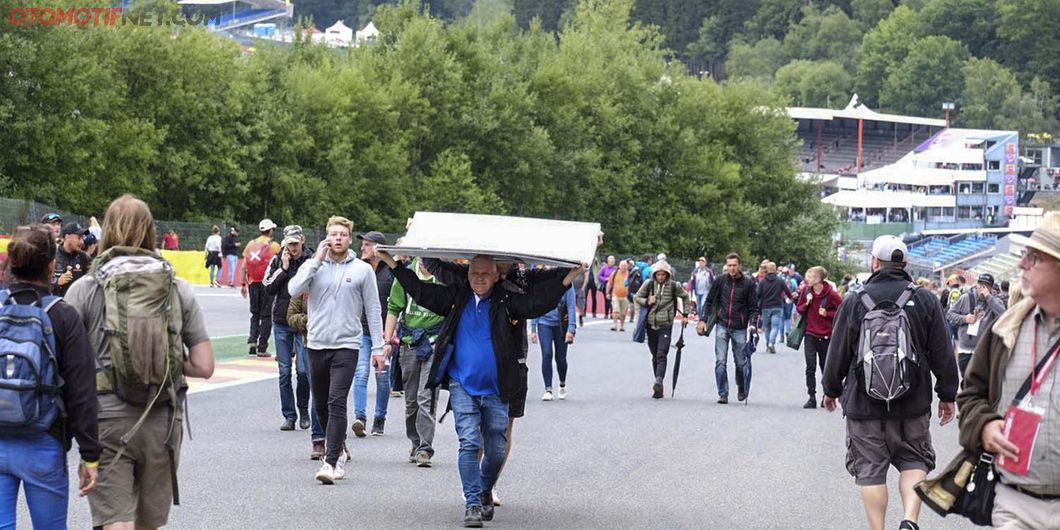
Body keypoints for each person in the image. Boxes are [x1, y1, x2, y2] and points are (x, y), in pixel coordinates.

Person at [377, 250, 580, 527]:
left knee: (496, 448)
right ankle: (473, 502)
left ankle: (485, 488)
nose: (479, 279)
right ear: (468, 274)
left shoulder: (508, 301)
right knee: (469, 443)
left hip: (498, 388)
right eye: (474, 273)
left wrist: (570, 277)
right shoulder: (456, 298)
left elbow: (538, 303)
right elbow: (420, 291)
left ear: (497, 276)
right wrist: (394, 264)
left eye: (485, 274)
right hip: (463, 385)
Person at [65, 194, 215, 530]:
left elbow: (69, 366)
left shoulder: (85, 287)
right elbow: (205, 366)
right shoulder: (176, 287)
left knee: (117, 521)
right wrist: (167, 361)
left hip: (105, 419)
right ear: (151, 231)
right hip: (162, 419)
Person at [821, 235, 958, 530]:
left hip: (864, 404)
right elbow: (942, 351)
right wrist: (947, 394)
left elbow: (838, 350)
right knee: (914, 461)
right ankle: (909, 518)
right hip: (913, 403)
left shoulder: (855, 300)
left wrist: (831, 390)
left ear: (874, 262)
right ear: (905, 264)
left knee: (870, 470)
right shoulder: (924, 299)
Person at [957, 212, 1060, 528]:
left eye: (1033, 258)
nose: (1021, 264)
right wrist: (985, 426)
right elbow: (971, 395)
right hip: (1014, 500)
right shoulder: (1006, 328)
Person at [0, 225, 99, 529]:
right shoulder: (63, 315)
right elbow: (82, 391)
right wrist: (90, 455)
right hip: (44, 440)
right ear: (50, 266)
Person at [287, 216, 385, 485]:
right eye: (333, 234)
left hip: (347, 344)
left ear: (349, 239)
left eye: (342, 234)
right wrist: (315, 261)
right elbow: (292, 289)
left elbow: (374, 310)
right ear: (326, 238)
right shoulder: (314, 266)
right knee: (320, 405)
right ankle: (339, 446)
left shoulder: (362, 270)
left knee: (336, 400)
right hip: (316, 343)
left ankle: (331, 461)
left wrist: (378, 347)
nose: (338, 238)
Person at [384, 257, 445, 467]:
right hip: (410, 344)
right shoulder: (407, 275)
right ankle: (415, 441)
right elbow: (393, 307)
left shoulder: (444, 276)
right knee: (411, 402)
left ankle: (425, 448)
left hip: (435, 344)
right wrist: (386, 342)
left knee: (425, 397)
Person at [263, 225, 316, 431]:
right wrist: (283, 269)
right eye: (289, 244)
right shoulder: (277, 260)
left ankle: (303, 410)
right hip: (281, 322)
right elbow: (268, 287)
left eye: (295, 243)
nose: (292, 248)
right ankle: (289, 415)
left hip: (303, 322)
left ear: (302, 240)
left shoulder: (312, 260)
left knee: (303, 371)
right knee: (284, 372)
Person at [699, 253, 759, 404]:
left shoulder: (748, 283)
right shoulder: (720, 281)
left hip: (739, 327)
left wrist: (753, 323)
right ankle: (723, 393)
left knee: (740, 362)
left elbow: (753, 308)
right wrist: (703, 320)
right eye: (729, 265)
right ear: (726, 266)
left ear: (739, 265)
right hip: (722, 325)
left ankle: (741, 386)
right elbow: (709, 301)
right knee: (720, 361)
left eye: (734, 265)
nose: (732, 268)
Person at [352, 231, 393, 437]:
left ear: (377, 248)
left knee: (382, 375)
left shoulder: (392, 271)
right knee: (360, 373)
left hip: (384, 332)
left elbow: (397, 304)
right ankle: (360, 417)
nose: (362, 248)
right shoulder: (359, 269)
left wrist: (389, 336)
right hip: (362, 330)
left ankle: (380, 418)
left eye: (367, 245)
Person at [635, 261, 690, 399]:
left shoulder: (673, 286)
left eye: (663, 274)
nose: (660, 277)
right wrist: (647, 300)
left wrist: (685, 314)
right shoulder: (649, 284)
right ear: (654, 274)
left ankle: (659, 380)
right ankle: (658, 385)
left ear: (667, 275)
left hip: (665, 324)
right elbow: (637, 297)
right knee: (655, 356)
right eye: (658, 274)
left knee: (661, 354)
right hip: (650, 324)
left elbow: (685, 297)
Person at [286, 292, 327, 460]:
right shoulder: (304, 283)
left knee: (335, 394)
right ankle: (318, 439)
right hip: (310, 342)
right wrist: (308, 321)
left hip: (339, 344)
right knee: (316, 389)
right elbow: (291, 315)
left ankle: (338, 440)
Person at [794, 266, 841, 409]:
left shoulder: (831, 294)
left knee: (825, 367)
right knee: (810, 366)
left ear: (820, 278)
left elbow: (842, 310)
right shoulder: (806, 291)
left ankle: (825, 395)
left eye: (812, 277)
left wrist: (827, 314)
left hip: (826, 335)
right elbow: (799, 309)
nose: (809, 279)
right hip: (810, 333)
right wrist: (806, 303)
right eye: (808, 276)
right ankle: (811, 396)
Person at [946, 273, 1007, 379]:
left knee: (982, 383)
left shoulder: (995, 301)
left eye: (986, 285)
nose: (981, 288)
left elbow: (1004, 315)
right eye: (980, 284)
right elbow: (950, 314)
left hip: (984, 350)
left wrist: (988, 297)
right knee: (966, 381)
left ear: (991, 288)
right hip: (966, 349)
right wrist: (964, 318)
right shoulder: (966, 297)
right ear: (976, 284)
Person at [531, 281, 577, 401]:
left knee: (560, 358)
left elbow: (571, 307)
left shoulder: (568, 286)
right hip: (544, 323)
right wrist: (533, 329)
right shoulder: (543, 283)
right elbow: (536, 305)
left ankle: (562, 383)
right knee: (546, 354)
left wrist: (571, 329)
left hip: (561, 325)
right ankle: (548, 389)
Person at [242, 219, 280, 357]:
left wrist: (242, 284)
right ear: (270, 230)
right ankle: (262, 347)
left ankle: (253, 341)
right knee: (266, 315)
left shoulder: (250, 244)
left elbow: (244, 266)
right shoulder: (274, 246)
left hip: (252, 282)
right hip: (266, 283)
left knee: (255, 313)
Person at [756, 261, 793, 354]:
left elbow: (757, 294)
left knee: (767, 327)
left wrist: (756, 305)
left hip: (765, 307)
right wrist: (791, 298)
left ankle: (768, 343)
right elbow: (787, 291)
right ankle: (771, 343)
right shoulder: (780, 280)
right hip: (777, 306)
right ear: (775, 269)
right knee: (775, 326)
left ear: (767, 270)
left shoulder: (762, 282)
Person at [52, 222, 92, 297]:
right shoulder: (52, 256)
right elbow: (40, 284)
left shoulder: (84, 257)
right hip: (58, 304)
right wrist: (57, 282)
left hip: (77, 305)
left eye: (82, 238)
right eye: (79, 237)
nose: (82, 242)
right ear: (67, 237)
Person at [606, 260, 632, 332]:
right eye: (622, 266)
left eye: (625, 266)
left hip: (625, 296)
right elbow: (609, 283)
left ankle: (622, 326)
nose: (624, 267)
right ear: (619, 266)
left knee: (623, 313)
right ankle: (615, 325)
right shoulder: (614, 273)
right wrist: (607, 293)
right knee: (616, 310)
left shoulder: (629, 274)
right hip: (615, 295)